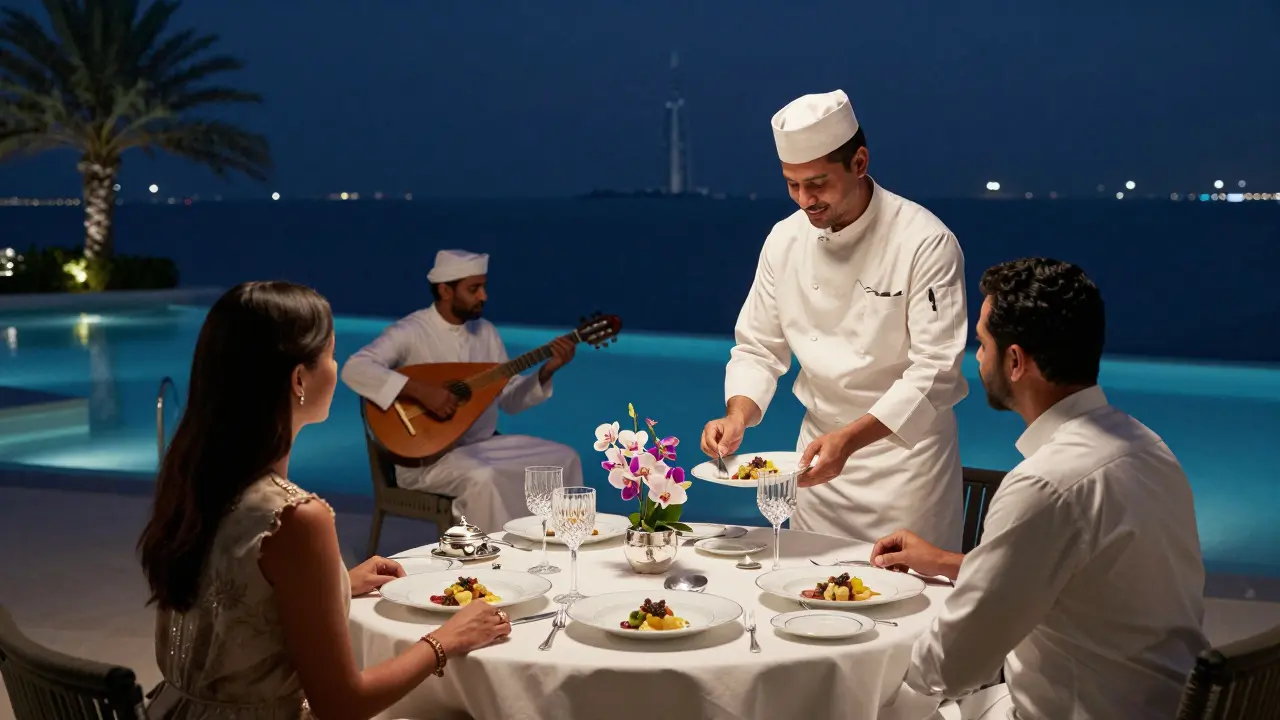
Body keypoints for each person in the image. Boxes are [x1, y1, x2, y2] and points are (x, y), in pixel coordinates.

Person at [137, 281, 511, 720]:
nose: (335, 368)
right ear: (299, 378)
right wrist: (444, 641)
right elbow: (342, 704)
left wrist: (330, 586)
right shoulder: (294, 517)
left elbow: (234, 595)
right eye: (332, 355)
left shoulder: (197, 479)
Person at [874, 258, 1208, 720]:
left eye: (982, 344)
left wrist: (861, 677)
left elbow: (952, 664)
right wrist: (948, 563)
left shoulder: (1045, 485)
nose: (978, 359)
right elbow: (1086, 578)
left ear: (1015, 361)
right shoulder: (1150, 450)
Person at [701, 89, 969, 549]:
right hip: (817, 469)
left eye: (818, 184)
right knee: (808, 599)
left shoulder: (925, 241)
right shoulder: (783, 241)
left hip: (904, 472)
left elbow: (936, 372)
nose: (805, 200)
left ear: (859, 162)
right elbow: (758, 347)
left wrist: (849, 439)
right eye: (792, 184)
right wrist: (738, 415)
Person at [341, 249, 583, 533]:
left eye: (483, 287)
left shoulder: (487, 332)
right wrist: (420, 391)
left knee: (565, 458)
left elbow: (510, 400)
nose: (484, 296)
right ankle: (487, 560)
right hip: (427, 459)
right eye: (473, 289)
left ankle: (562, 543)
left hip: (483, 445)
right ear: (445, 290)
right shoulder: (411, 331)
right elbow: (354, 368)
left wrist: (547, 370)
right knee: (484, 477)